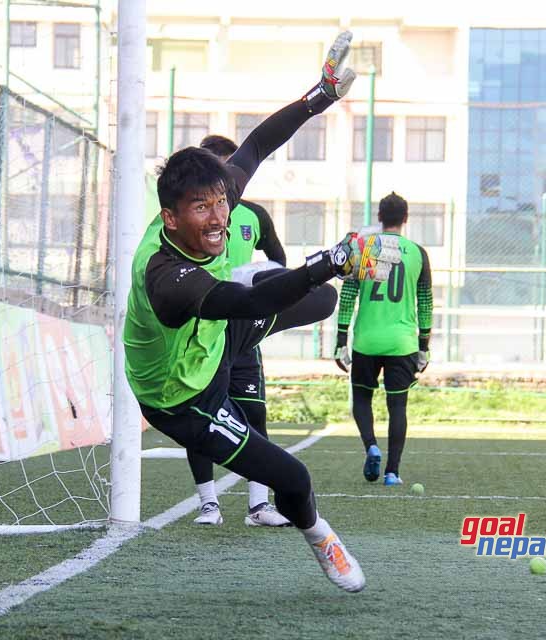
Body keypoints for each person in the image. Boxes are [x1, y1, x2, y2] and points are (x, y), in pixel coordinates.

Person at [124, 31, 401, 592]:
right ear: (171, 219)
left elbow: (256, 146)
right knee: (293, 477)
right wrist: (329, 261)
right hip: (181, 398)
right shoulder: (165, 276)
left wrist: (317, 98)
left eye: (221, 201)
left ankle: (269, 333)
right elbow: (245, 301)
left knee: (320, 300)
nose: (218, 215)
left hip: (219, 333)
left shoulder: (216, 204)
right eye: (201, 206)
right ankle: (319, 533)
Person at [184, 134, 288, 527]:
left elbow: (278, 260)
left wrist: (258, 280)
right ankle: (208, 503)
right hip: (203, 332)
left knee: (255, 414)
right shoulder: (189, 220)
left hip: (243, 332)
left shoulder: (255, 216)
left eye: (229, 170)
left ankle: (258, 506)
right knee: (201, 416)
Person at [334, 192, 432, 485]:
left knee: (362, 399)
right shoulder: (417, 252)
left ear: (379, 217)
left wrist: (341, 340)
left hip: (366, 340)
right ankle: (392, 472)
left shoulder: (364, 248)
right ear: (405, 219)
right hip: (402, 342)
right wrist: (424, 345)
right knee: (397, 406)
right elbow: (425, 302)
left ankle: (371, 446)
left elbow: (348, 295)